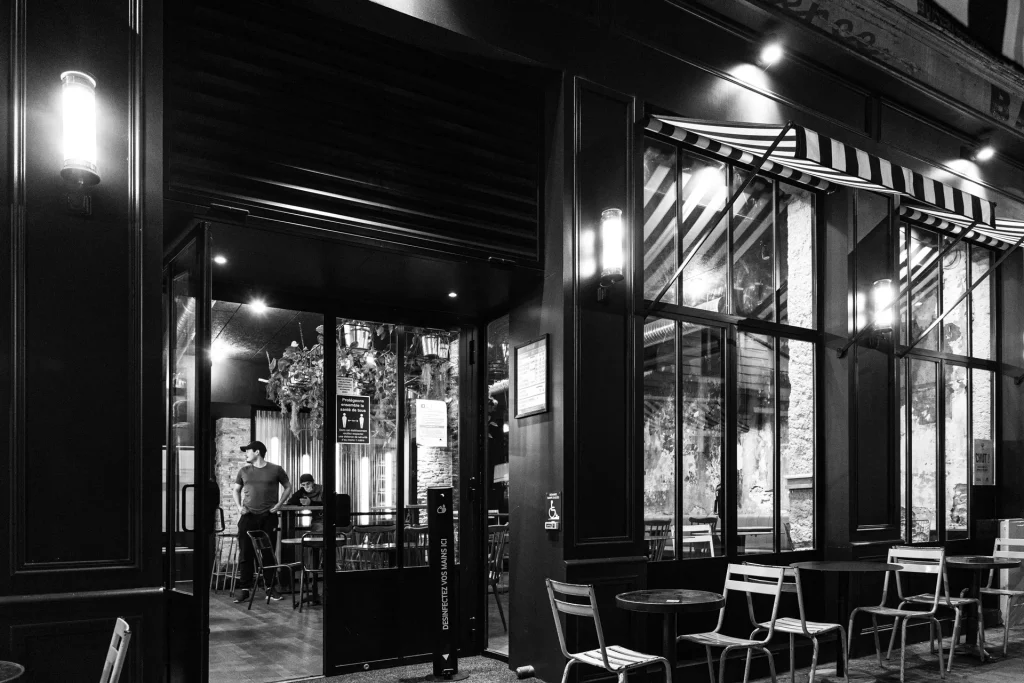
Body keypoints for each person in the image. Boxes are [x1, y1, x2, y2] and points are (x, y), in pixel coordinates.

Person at [233, 440, 292, 603]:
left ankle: (270, 588)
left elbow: (288, 486)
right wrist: (239, 507)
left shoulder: (276, 469)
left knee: (268, 552)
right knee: (246, 552)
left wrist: (279, 505)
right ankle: (245, 589)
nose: (246, 454)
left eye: (248, 451)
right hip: (248, 516)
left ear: (257, 452)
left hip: (268, 516)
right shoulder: (244, 470)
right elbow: (236, 490)